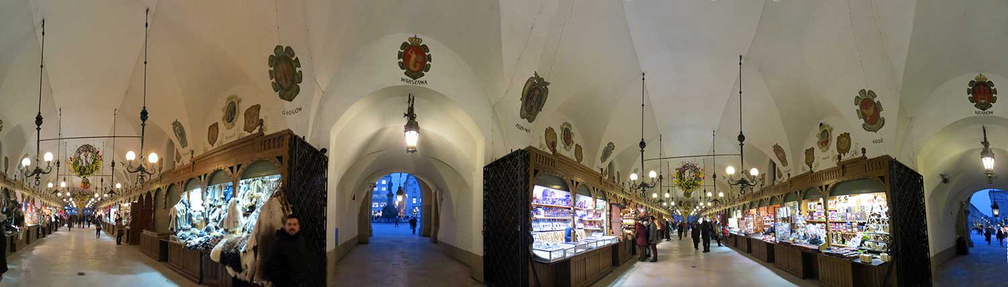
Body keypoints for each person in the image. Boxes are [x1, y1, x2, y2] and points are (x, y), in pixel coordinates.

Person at [265, 214, 311, 287]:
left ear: (299, 227)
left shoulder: (301, 241)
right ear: (285, 226)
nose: (292, 227)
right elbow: (271, 264)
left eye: (295, 224)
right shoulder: (278, 242)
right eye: (289, 224)